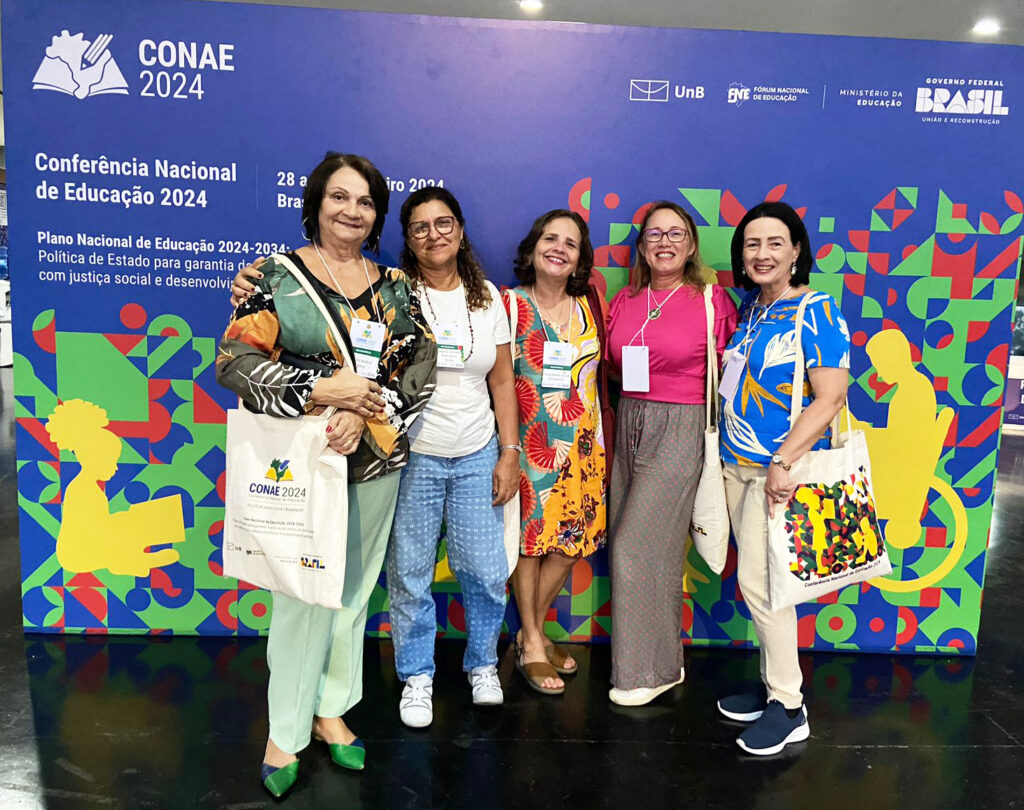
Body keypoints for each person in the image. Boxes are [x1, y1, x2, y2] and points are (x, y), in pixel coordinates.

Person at [216, 152, 437, 797]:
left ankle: (331, 708)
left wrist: (365, 412)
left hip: (375, 461)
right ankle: (284, 730)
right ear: (315, 203)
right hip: (300, 467)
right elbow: (233, 362)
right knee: (300, 595)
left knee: (353, 592)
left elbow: (418, 367)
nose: (352, 211)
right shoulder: (274, 277)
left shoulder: (395, 286)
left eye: (365, 201)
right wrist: (320, 393)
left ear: (377, 215)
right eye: (339, 197)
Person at [716, 200, 850, 755]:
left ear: (796, 251)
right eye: (752, 244)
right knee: (761, 583)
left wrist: (784, 462)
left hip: (776, 474)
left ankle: (790, 707)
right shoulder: (752, 309)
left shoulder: (816, 309)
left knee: (765, 585)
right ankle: (774, 686)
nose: (762, 253)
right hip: (735, 467)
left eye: (775, 243)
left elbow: (831, 396)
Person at [385, 187, 520, 727]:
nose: (433, 235)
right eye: (420, 227)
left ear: (460, 231)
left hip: (476, 453)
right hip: (412, 456)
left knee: (485, 571)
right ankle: (417, 675)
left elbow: (503, 381)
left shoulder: (487, 297)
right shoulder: (394, 293)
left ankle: (482, 664)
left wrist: (509, 452)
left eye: (443, 223)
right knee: (410, 572)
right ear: (408, 239)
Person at [605, 201, 737, 706]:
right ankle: (663, 663)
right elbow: (612, 366)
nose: (665, 242)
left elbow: (731, 372)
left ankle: (645, 673)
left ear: (691, 244)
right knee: (646, 548)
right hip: (629, 420)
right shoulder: (626, 300)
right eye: (654, 234)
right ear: (641, 247)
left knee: (635, 547)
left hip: (682, 425)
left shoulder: (711, 300)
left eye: (676, 233)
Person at [505, 209, 608, 695]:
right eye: (550, 238)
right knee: (529, 546)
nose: (559, 249)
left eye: (571, 243)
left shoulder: (591, 305)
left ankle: (533, 632)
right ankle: (532, 642)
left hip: (584, 448)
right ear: (532, 249)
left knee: (568, 548)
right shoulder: (509, 304)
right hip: (528, 444)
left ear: (580, 259)